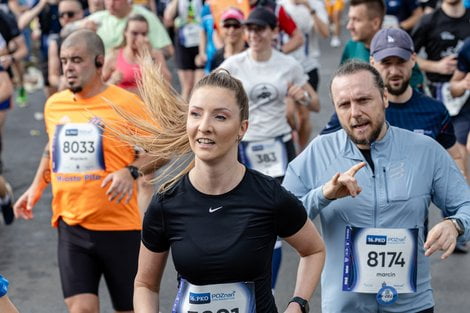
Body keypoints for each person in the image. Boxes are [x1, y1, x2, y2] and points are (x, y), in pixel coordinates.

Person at [131, 63, 325, 312]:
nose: (204, 126)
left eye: (220, 116)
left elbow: (314, 250)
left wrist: (298, 304)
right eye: (196, 114)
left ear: (242, 128)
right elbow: (145, 284)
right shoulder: (167, 201)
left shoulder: (268, 195)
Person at [283, 61, 470, 312]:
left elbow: (465, 205)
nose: (355, 112)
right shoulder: (318, 152)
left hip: (411, 305)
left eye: (363, 100)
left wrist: (455, 224)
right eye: (344, 105)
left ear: (384, 97)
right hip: (345, 306)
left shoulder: (425, 150)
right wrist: (323, 195)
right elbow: (281, 217)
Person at [13, 30, 157, 313]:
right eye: (65, 60)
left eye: (77, 60)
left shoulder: (126, 105)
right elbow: (51, 149)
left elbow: (160, 150)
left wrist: (131, 171)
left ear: (99, 61)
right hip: (72, 224)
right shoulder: (55, 104)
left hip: (119, 226)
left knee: (128, 309)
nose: (68, 67)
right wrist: (35, 188)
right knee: (81, 309)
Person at [219, 7, 319, 291]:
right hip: (243, 147)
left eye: (261, 28)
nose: (253, 34)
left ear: (275, 32)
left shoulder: (288, 64)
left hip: (278, 145)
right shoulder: (233, 64)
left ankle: (268, 289)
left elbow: (316, 104)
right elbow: (208, 95)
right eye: (249, 29)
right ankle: (238, 281)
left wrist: (301, 97)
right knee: (239, 219)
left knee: (271, 223)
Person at [320, 0, 424, 135]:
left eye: (356, 20)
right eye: (350, 19)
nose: (349, 26)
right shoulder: (351, 46)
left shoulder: (399, 53)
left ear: (375, 22)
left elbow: (415, 97)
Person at [368, 28, 464, 173]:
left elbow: (455, 157)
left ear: (413, 59)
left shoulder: (435, 110)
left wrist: (460, 190)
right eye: (386, 63)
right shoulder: (359, 111)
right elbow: (326, 151)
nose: (394, 71)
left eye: (400, 61)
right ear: (372, 63)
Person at [279, 0, 329, 149]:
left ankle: (301, 152)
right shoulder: (279, 5)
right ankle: (291, 143)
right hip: (284, 69)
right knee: (288, 113)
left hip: (308, 67)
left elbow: (325, 33)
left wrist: (309, 8)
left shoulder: (315, 5)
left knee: (304, 115)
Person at [102, 14, 171, 94]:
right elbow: (96, 87)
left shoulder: (155, 55)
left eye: (143, 34)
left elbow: (167, 84)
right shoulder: (114, 56)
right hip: (122, 104)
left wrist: (147, 57)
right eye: (134, 33)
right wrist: (112, 81)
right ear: (125, 32)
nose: (139, 38)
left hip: (146, 104)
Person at [84, 0, 173, 57]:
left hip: (135, 76)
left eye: (116, 0)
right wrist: (86, 34)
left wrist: (148, 52)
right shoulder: (98, 18)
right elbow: (71, 30)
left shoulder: (146, 17)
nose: (111, 3)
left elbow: (168, 51)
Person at [164, 0, 204, 100]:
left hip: (201, 44)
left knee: (198, 87)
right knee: (187, 87)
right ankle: (181, 115)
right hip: (183, 43)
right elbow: (168, 18)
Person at [48, 0, 85, 92]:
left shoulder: (92, 37)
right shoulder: (56, 43)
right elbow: (53, 76)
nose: (65, 18)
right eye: (61, 15)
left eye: (70, 14)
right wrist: (62, 81)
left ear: (81, 13)